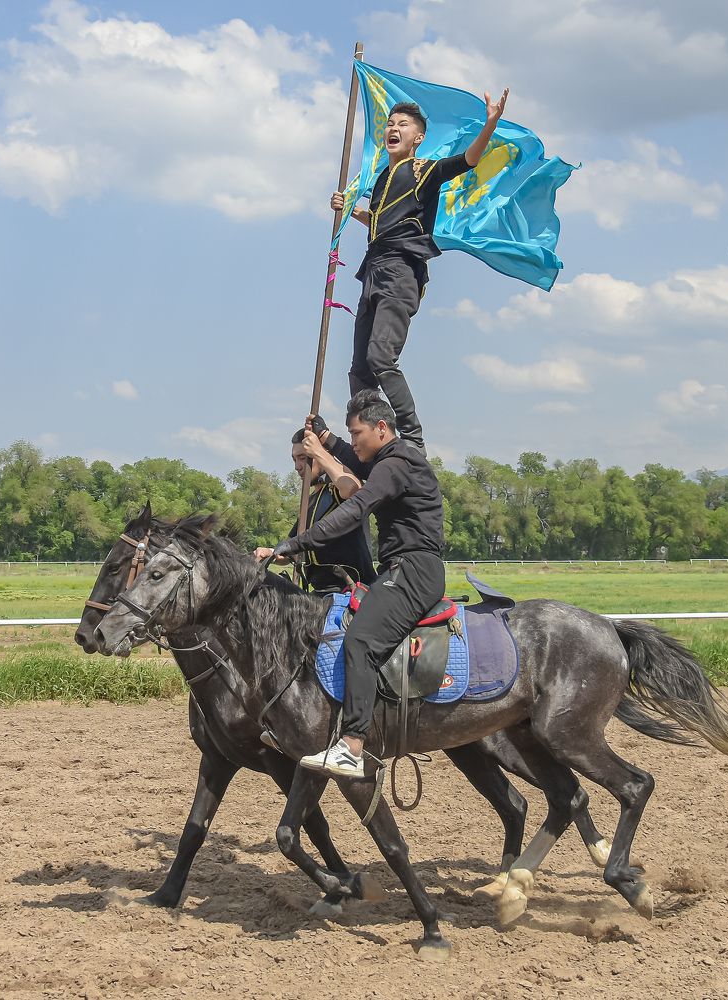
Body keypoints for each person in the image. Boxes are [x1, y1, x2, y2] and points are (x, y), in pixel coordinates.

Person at [272, 390, 446, 778]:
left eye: (356, 434)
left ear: (381, 429)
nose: (352, 444)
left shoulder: (397, 464)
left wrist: (298, 542)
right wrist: (327, 438)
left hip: (414, 570)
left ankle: (352, 745)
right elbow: (354, 460)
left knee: (360, 641)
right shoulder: (389, 459)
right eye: (348, 436)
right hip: (402, 569)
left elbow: (356, 507)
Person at [331, 90, 509, 454]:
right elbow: (380, 222)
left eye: (403, 124)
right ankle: (367, 435)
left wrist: (490, 123)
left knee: (381, 357)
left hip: (401, 270)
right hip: (373, 270)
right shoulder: (382, 178)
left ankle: (411, 437)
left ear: (418, 137)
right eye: (390, 124)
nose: (393, 128)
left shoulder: (424, 169)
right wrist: (350, 208)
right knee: (360, 368)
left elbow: (467, 160)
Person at [254, 428, 375, 593]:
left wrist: (319, 451)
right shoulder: (308, 503)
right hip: (319, 593)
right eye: (294, 459)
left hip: (353, 590)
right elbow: (291, 551)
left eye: (303, 458)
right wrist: (270, 553)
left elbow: (353, 489)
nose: (297, 467)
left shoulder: (338, 491)